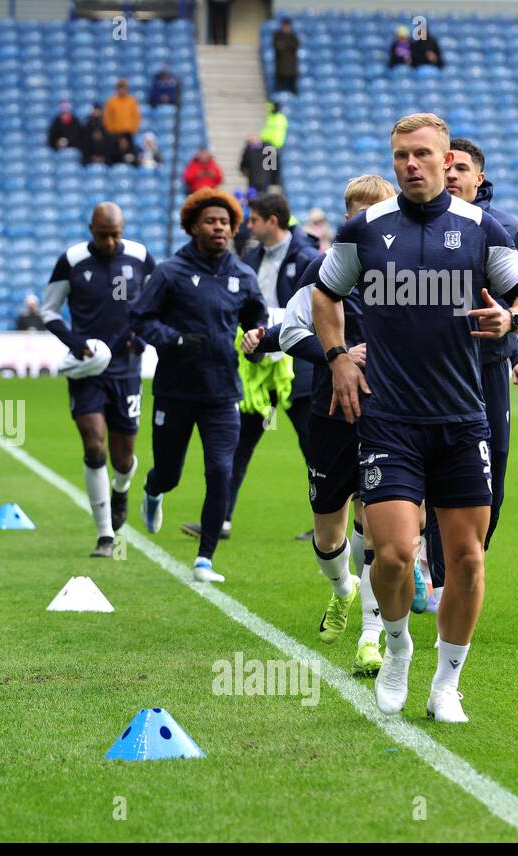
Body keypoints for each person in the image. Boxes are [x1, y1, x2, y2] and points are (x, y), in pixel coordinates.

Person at [312, 112, 518, 724]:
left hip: (464, 420)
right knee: (391, 555)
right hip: (388, 419)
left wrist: (512, 320)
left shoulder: (481, 228)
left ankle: (447, 683)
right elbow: (324, 293)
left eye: (421, 155)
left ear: (449, 162)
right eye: (400, 156)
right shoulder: (363, 230)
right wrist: (337, 358)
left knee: (467, 558)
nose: (410, 165)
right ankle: (396, 648)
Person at [243, 174, 397, 675]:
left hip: (388, 414)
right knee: (329, 532)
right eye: (357, 212)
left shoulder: (410, 271)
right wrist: (337, 357)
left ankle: (373, 636)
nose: (367, 221)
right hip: (330, 413)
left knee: (378, 525)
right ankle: (342, 588)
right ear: (346, 216)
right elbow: (290, 331)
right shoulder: (321, 268)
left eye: (378, 211)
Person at [424, 137, 518, 613]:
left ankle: (464, 558)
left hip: (488, 368)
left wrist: (513, 341)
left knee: (491, 472)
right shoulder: (416, 226)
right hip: (433, 371)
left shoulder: (506, 229)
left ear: (480, 178)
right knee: (435, 467)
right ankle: (435, 580)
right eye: (446, 166)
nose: (451, 175)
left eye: (461, 169)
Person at [132, 188, 263, 581]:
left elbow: (257, 322)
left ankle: (205, 558)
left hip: (223, 393)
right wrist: (173, 339)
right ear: (193, 226)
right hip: (175, 391)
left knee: (220, 471)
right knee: (169, 472)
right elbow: (140, 319)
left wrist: (256, 342)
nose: (219, 227)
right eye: (211, 221)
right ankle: (154, 491)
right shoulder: (170, 272)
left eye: (225, 221)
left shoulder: (243, 274)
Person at [185, 191, 319, 543]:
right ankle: (220, 520)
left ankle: (327, 523)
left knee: (314, 447)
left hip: (297, 367)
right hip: (259, 367)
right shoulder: (251, 256)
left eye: (254, 219)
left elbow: (312, 312)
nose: (247, 225)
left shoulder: (306, 256)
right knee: (239, 444)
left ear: (271, 221)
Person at [42, 203, 155, 557]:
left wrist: (142, 339)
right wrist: (76, 344)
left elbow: (159, 304)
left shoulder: (139, 256)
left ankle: (121, 487)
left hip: (127, 370)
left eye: (116, 234)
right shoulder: (72, 260)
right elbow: (49, 310)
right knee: (94, 446)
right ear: (91, 228)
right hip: (88, 370)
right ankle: (105, 534)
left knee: (123, 459)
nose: (110, 242)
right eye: (104, 235)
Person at [103, 79, 141, 147]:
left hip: (128, 132)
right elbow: (108, 117)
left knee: (129, 154)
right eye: (120, 88)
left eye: (124, 88)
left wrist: (134, 129)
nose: (122, 90)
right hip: (115, 132)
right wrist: (111, 130)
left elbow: (136, 116)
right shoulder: (111, 101)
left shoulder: (132, 101)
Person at [259, 102, 287, 185]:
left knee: (270, 166)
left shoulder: (278, 119)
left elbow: (274, 134)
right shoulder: (274, 118)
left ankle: (272, 182)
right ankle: (271, 182)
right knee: (269, 165)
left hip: (273, 144)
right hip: (271, 144)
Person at [272, 18, 299, 94]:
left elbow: (295, 45)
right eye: (285, 26)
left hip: (291, 70)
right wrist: (287, 46)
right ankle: (277, 105)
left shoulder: (293, 36)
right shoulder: (277, 35)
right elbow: (276, 46)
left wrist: (284, 45)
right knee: (278, 91)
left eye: (288, 26)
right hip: (281, 70)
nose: (286, 28)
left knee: (293, 91)